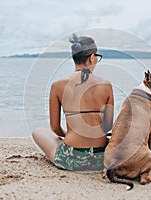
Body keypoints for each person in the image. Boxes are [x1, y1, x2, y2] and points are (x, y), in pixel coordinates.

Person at [32, 33, 114, 171]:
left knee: (38, 131)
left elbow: (55, 128)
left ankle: (66, 144)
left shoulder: (57, 85)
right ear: (92, 57)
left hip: (71, 159)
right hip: (100, 159)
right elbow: (107, 126)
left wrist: (70, 135)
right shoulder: (106, 85)